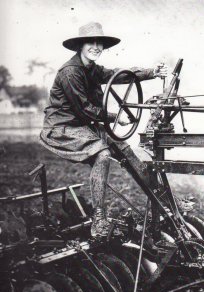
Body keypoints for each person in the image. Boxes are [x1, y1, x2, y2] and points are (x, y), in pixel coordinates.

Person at [40, 22, 168, 237]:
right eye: (91, 42)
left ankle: (161, 204)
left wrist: (151, 72)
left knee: (125, 149)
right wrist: (115, 117)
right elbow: (83, 109)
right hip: (62, 128)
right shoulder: (71, 72)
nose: (96, 47)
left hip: (84, 125)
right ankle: (98, 220)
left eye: (100, 43)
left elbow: (118, 75)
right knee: (103, 154)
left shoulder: (92, 69)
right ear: (80, 45)